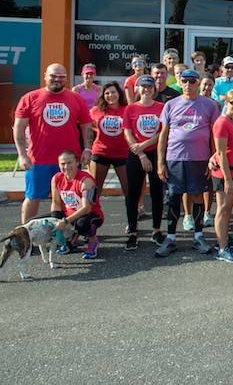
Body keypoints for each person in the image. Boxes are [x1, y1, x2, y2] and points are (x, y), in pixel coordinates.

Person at [13, 63, 93, 223]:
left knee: (70, 198)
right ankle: (26, 233)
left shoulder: (76, 98)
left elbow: (86, 126)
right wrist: (22, 155)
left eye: (61, 76)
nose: (57, 79)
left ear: (66, 78)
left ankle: (68, 232)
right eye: (53, 76)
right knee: (32, 197)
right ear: (45, 76)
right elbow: (19, 128)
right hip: (38, 160)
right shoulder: (30, 98)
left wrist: (87, 148)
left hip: (69, 160)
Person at [154, 69, 220, 257]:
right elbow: (163, 135)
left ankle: (198, 236)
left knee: (198, 196)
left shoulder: (209, 105)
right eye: (185, 81)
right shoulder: (170, 104)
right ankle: (171, 238)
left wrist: (213, 158)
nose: (188, 85)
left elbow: (214, 134)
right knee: (174, 197)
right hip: (175, 158)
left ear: (198, 83)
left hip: (200, 159)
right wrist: (160, 163)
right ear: (180, 82)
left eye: (192, 81)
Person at [122, 75, 166, 250]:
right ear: (137, 89)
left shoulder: (161, 107)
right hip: (136, 155)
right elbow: (127, 132)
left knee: (157, 192)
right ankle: (133, 232)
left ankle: (156, 230)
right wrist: (141, 154)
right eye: (143, 87)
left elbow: (163, 132)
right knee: (132, 194)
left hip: (155, 153)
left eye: (149, 87)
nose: (146, 90)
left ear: (154, 89)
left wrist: (144, 146)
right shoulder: (130, 108)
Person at [211, 89, 233, 264]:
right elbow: (220, 153)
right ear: (226, 103)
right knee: (223, 209)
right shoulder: (222, 122)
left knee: (229, 208)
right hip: (225, 173)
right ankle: (222, 248)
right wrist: (227, 179)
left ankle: (224, 236)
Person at [50, 150, 103, 259]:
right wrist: (55, 220)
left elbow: (86, 208)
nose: (66, 167)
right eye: (63, 164)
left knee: (82, 224)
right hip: (69, 215)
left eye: (70, 163)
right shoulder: (56, 178)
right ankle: (68, 240)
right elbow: (56, 203)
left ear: (77, 162)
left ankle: (93, 240)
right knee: (43, 222)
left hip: (90, 215)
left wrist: (65, 222)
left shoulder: (86, 180)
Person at [88, 81, 129, 220]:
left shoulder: (127, 109)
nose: (111, 95)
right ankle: (92, 220)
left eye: (113, 92)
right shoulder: (95, 110)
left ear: (119, 94)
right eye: (107, 93)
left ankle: (132, 222)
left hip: (123, 154)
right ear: (103, 96)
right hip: (100, 153)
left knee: (128, 190)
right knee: (95, 190)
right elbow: (89, 128)